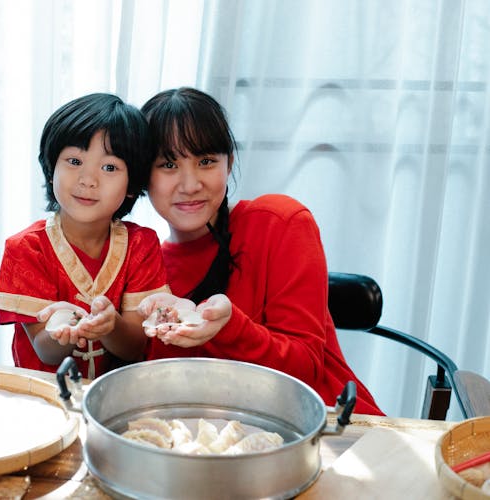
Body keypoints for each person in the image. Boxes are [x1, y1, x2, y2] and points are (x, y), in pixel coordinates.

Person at [137, 87, 382, 415]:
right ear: (142, 176)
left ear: (229, 164)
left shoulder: (279, 222)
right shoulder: (143, 264)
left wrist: (230, 327)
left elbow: (303, 370)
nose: (190, 183)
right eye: (168, 164)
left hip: (329, 427)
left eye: (206, 161)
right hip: (214, 442)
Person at [0, 93, 169, 379]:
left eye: (109, 167)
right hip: (44, 399)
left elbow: (136, 348)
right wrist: (67, 329)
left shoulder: (142, 245)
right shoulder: (26, 248)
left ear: (132, 185)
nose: (88, 179)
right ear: (51, 170)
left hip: (113, 401)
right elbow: (44, 351)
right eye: (74, 161)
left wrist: (111, 326)